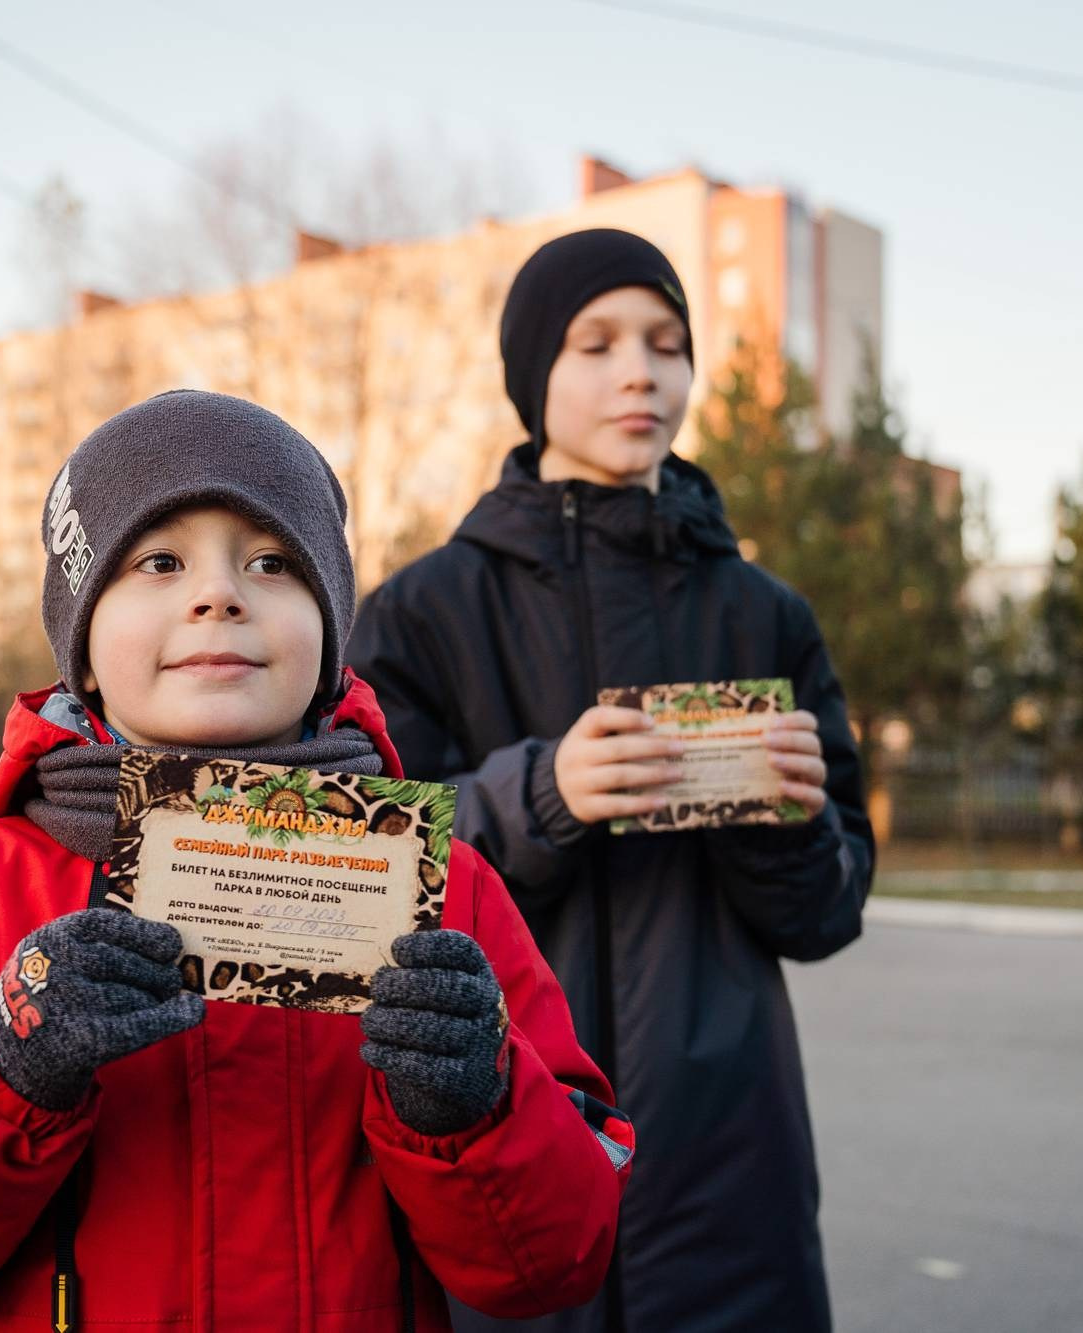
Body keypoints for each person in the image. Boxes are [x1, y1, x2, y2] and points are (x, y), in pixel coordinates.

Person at [0, 391, 636, 1332]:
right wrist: (1, 1066)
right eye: (160, 562)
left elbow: (559, 1259)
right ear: (84, 645)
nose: (220, 596)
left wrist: (477, 1106)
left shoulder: (446, 888)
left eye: (273, 562)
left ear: (330, 634)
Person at [347, 229, 875, 1333]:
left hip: (732, 1154)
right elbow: (364, 878)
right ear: (533, 374)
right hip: (501, 1135)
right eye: (596, 344)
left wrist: (787, 822)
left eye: (665, 343)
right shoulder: (421, 611)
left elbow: (828, 912)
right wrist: (540, 795)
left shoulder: (765, 613)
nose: (640, 372)